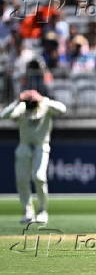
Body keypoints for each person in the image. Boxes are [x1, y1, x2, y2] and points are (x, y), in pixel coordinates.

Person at [0, 89, 66, 224]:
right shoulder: (22, 107)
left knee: (39, 177)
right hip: (24, 147)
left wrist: (42, 99)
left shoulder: (45, 105)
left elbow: (62, 109)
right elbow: (4, 115)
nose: (31, 104)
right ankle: (28, 212)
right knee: (22, 180)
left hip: (41, 147)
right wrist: (18, 100)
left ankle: (42, 211)